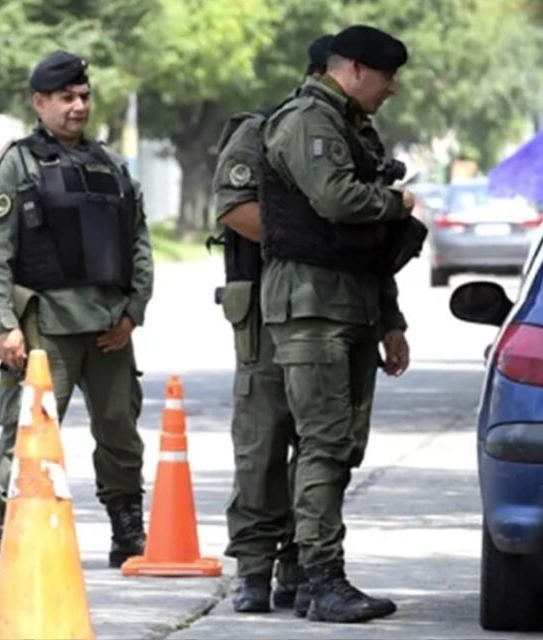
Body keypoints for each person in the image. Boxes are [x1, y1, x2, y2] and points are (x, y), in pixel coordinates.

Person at [259, 24, 425, 623]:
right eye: (386, 77)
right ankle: (321, 577)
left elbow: (368, 245)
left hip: (350, 301)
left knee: (339, 447)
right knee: (325, 444)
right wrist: (396, 204)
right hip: (310, 305)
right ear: (352, 69)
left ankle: (305, 571)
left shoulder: (353, 129)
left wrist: (390, 319)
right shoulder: (307, 121)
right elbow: (335, 200)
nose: (393, 90)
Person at [0, 50, 154, 571]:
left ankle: (127, 529)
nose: (78, 107)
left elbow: (138, 244)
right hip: (45, 327)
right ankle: (7, 531)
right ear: (40, 102)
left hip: (109, 326)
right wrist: (3, 325)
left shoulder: (111, 165)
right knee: (28, 431)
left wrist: (132, 312)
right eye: (65, 98)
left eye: (84, 96)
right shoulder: (18, 165)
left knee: (120, 429)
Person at [211, 34, 334, 615]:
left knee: (323, 444)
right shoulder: (262, 130)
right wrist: (311, 241)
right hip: (264, 307)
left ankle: (301, 566)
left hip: (331, 310)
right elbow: (233, 208)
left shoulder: (350, 138)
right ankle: (254, 568)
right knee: (262, 441)